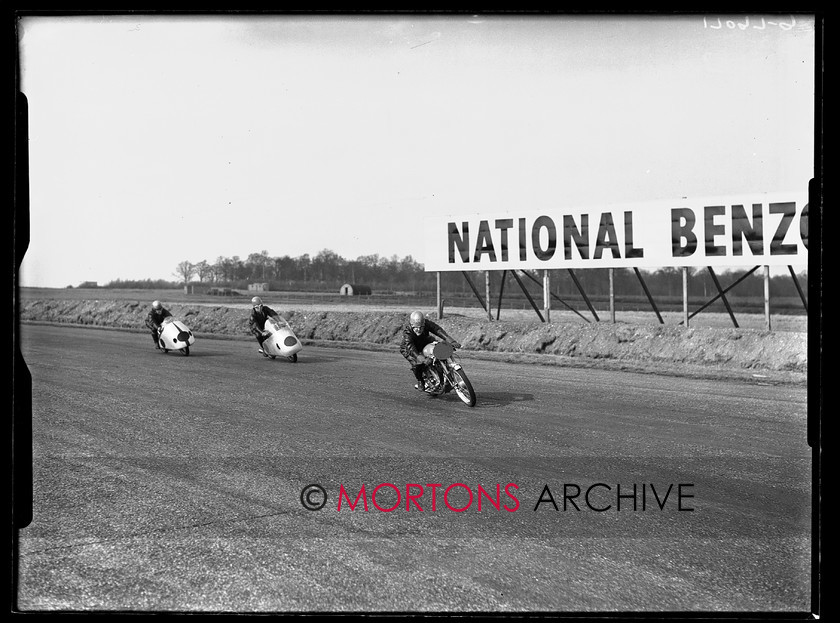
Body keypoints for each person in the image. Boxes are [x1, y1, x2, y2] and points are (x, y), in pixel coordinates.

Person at [399, 310, 461, 391]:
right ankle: (420, 381)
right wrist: (421, 358)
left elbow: (437, 330)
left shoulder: (426, 323)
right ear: (411, 325)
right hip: (409, 349)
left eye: (421, 327)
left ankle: (444, 376)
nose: (419, 329)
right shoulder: (407, 333)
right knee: (417, 363)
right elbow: (410, 347)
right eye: (416, 328)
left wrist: (450, 340)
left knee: (439, 349)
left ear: (424, 324)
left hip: (424, 341)